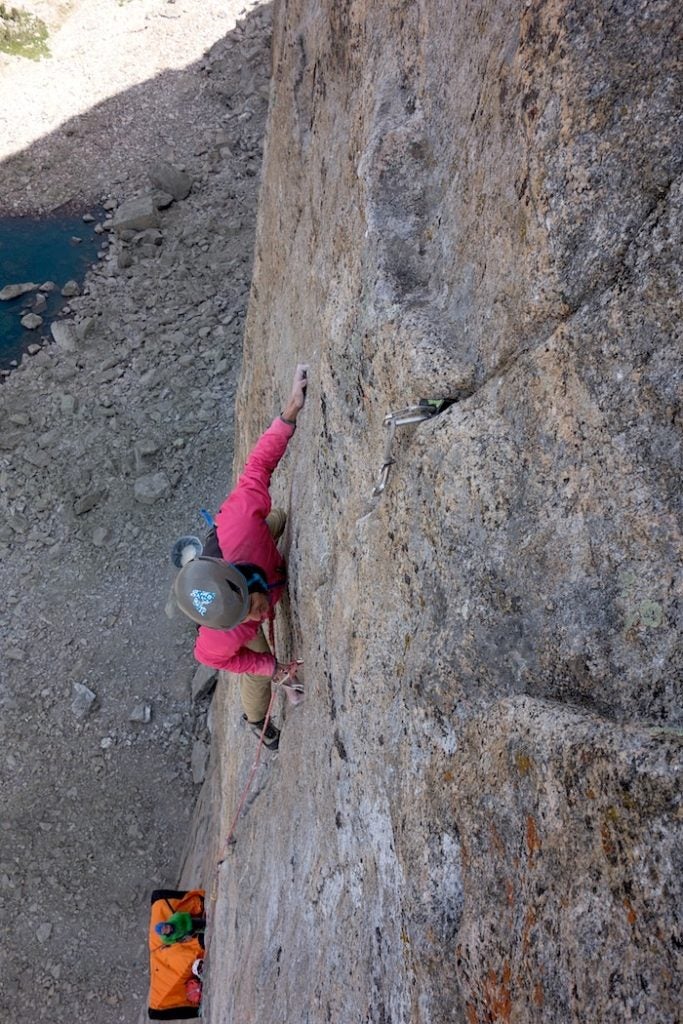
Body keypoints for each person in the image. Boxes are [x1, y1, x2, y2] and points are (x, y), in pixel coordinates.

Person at [174, 364, 308, 750]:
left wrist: (289, 414)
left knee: (274, 519)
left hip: (253, 548)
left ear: (245, 581)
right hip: (245, 579)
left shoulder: (243, 526)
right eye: (249, 614)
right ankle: (258, 725)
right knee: (258, 674)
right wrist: (269, 667)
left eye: (250, 606)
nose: (257, 616)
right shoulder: (227, 629)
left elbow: (258, 468)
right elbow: (212, 658)